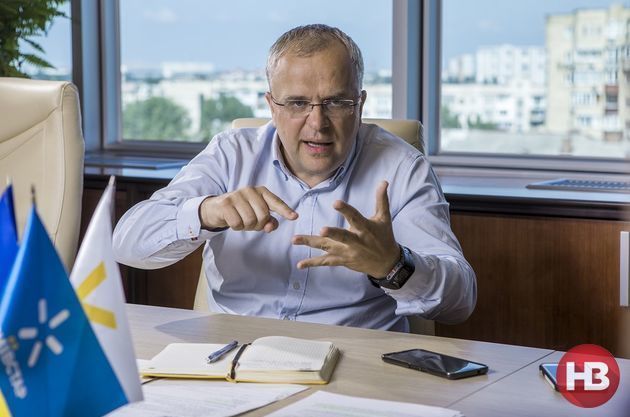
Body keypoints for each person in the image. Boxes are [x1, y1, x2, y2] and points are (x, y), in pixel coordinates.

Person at [113, 24, 476, 332]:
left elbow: (461, 300)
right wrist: (207, 212)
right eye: (298, 103)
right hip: (233, 356)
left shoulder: (401, 167)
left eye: (336, 102)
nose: (318, 124)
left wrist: (394, 265)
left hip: (355, 362)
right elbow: (126, 243)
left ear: (360, 104)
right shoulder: (230, 154)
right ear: (272, 106)